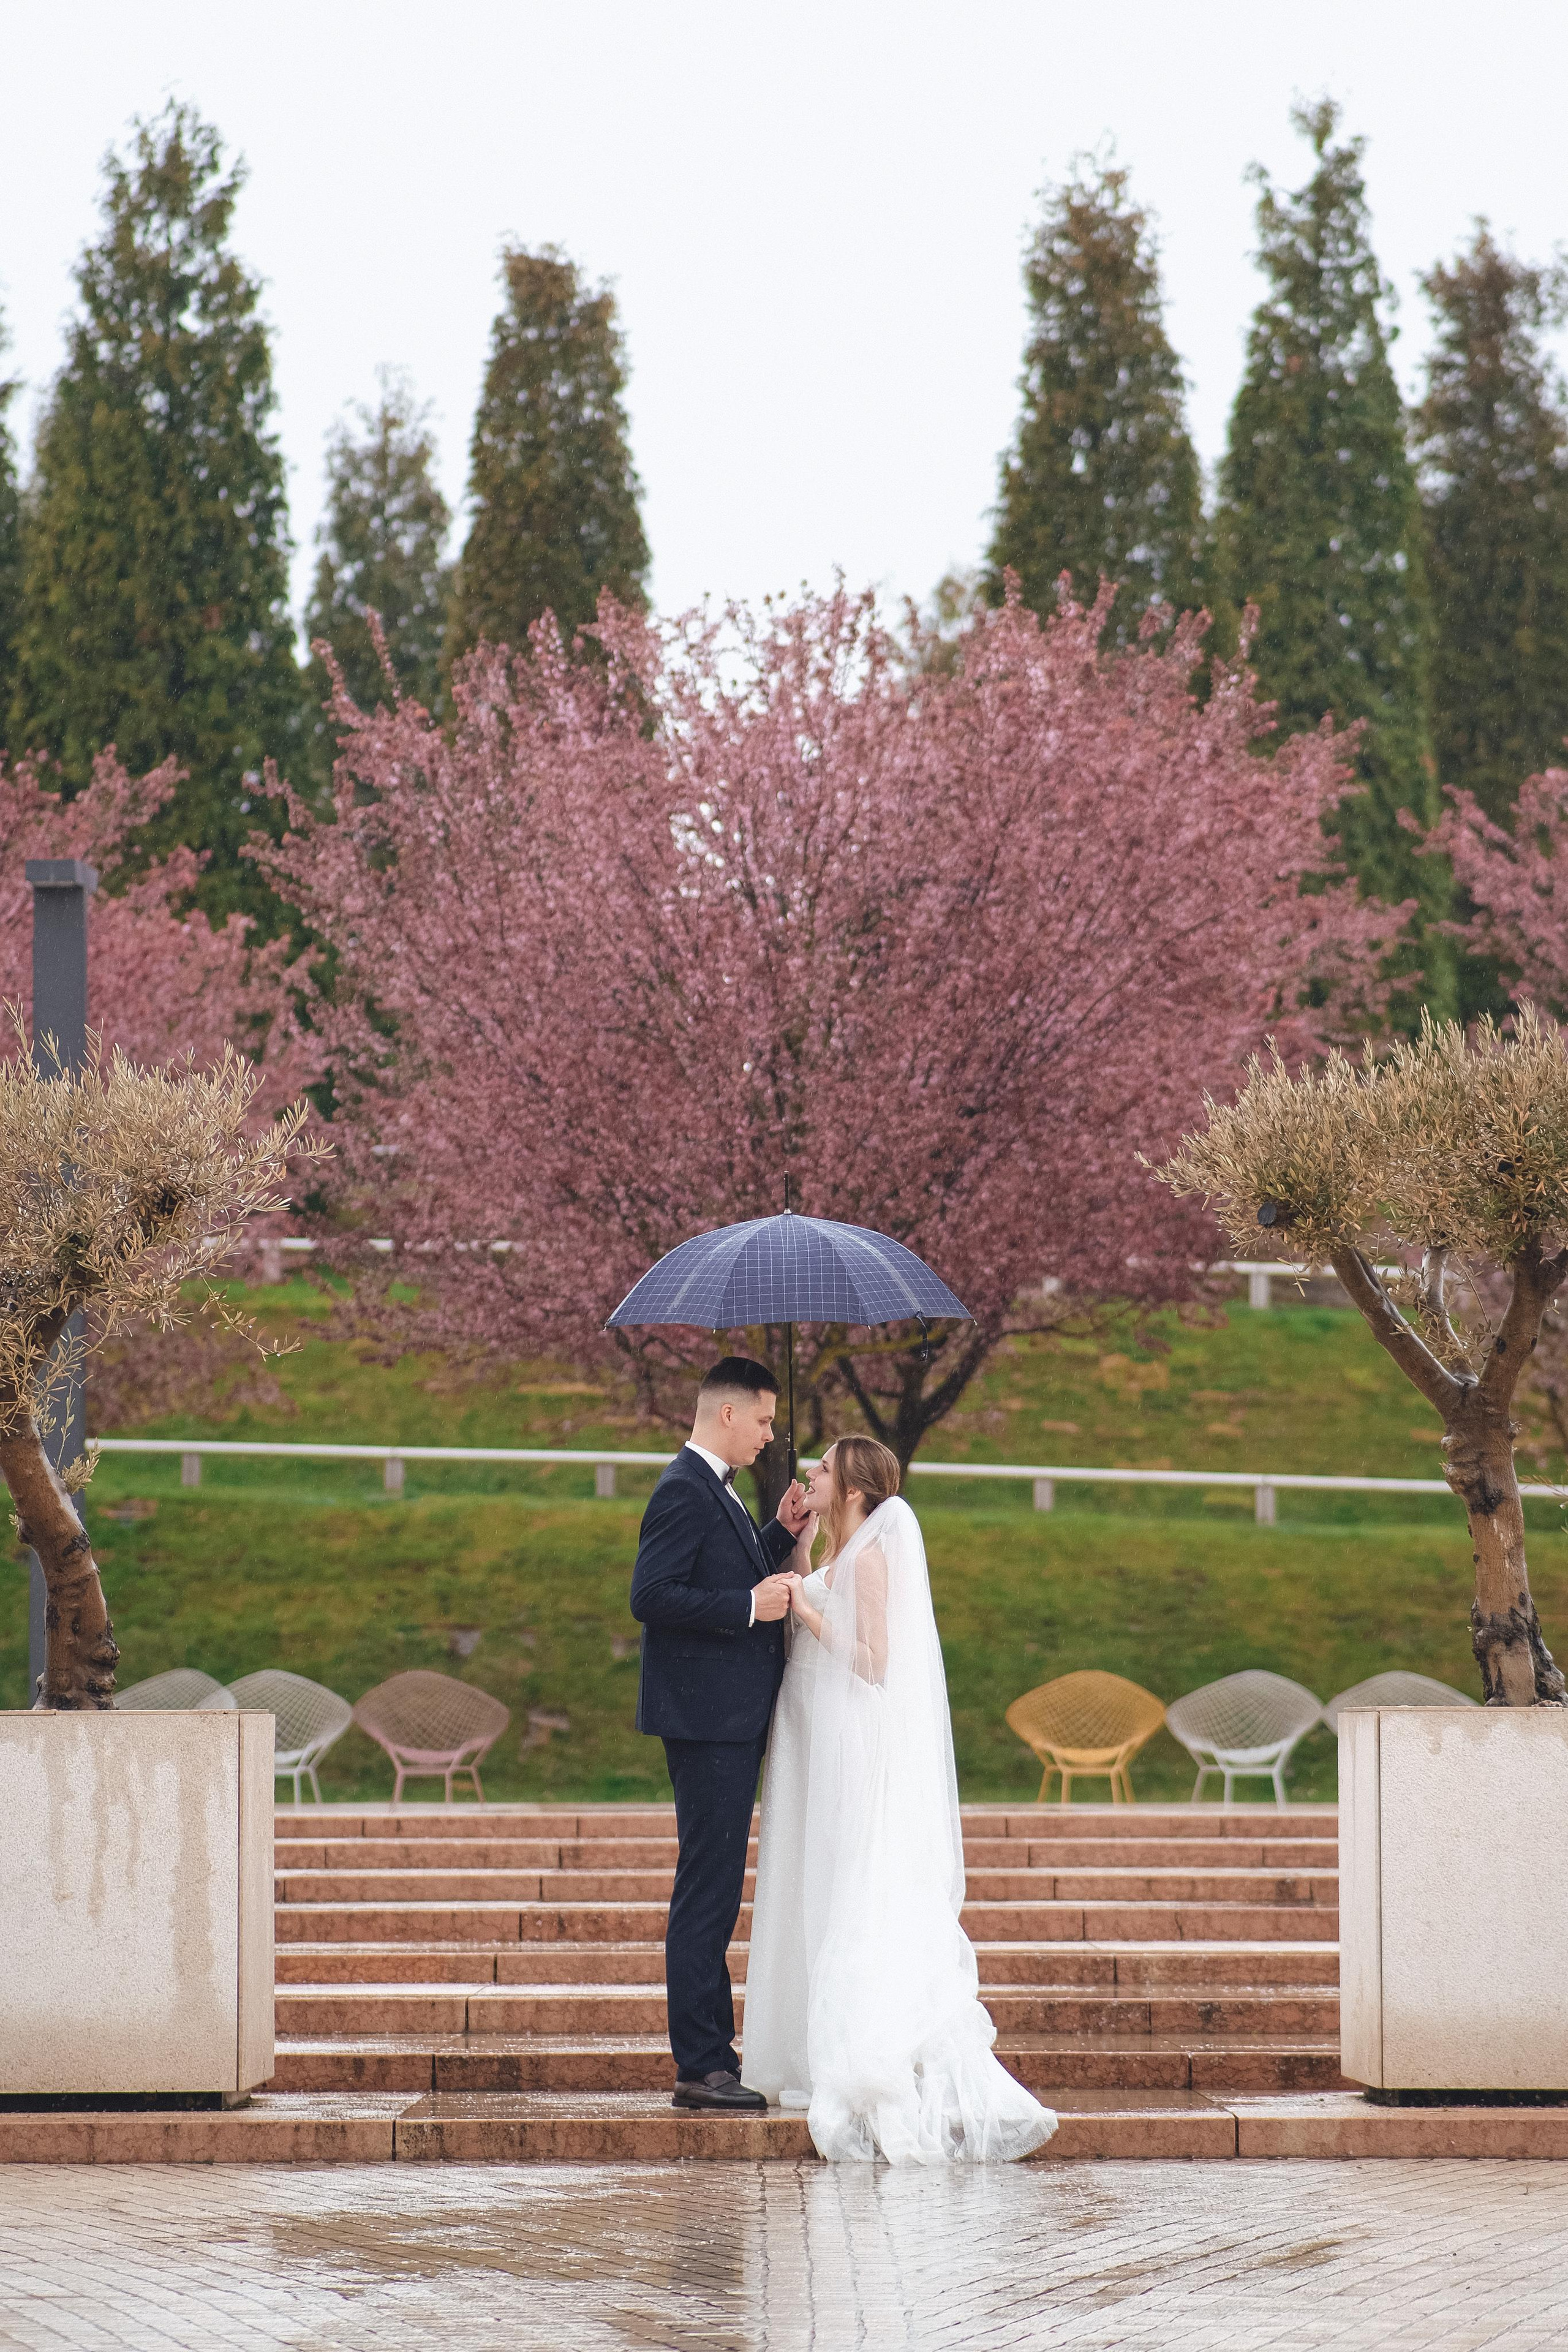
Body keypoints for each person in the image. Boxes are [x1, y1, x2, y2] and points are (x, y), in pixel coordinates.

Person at [742, 1434, 1057, 2164]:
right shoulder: (842, 1552)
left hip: (847, 1734)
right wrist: (803, 1555)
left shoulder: (872, 1560)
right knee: (814, 1879)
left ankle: (856, 2051)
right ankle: (806, 2044)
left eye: (824, 1469)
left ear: (853, 1489)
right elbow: (828, 1604)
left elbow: (873, 1662)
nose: (811, 1474)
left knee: (848, 1882)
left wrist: (804, 1610)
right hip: (812, 1729)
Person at [630, 1355, 811, 2111]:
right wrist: (747, 1607)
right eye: (763, 1420)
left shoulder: (715, 1488)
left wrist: (779, 1534)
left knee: (715, 1886)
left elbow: (720, 1570)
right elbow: (652, 1595)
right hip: (706, 1722)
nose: (769, 1435)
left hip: (726, 1719)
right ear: (728, 1413)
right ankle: (702, 2066)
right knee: (707, 1890)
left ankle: (709, 2058)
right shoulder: (684, 1487)